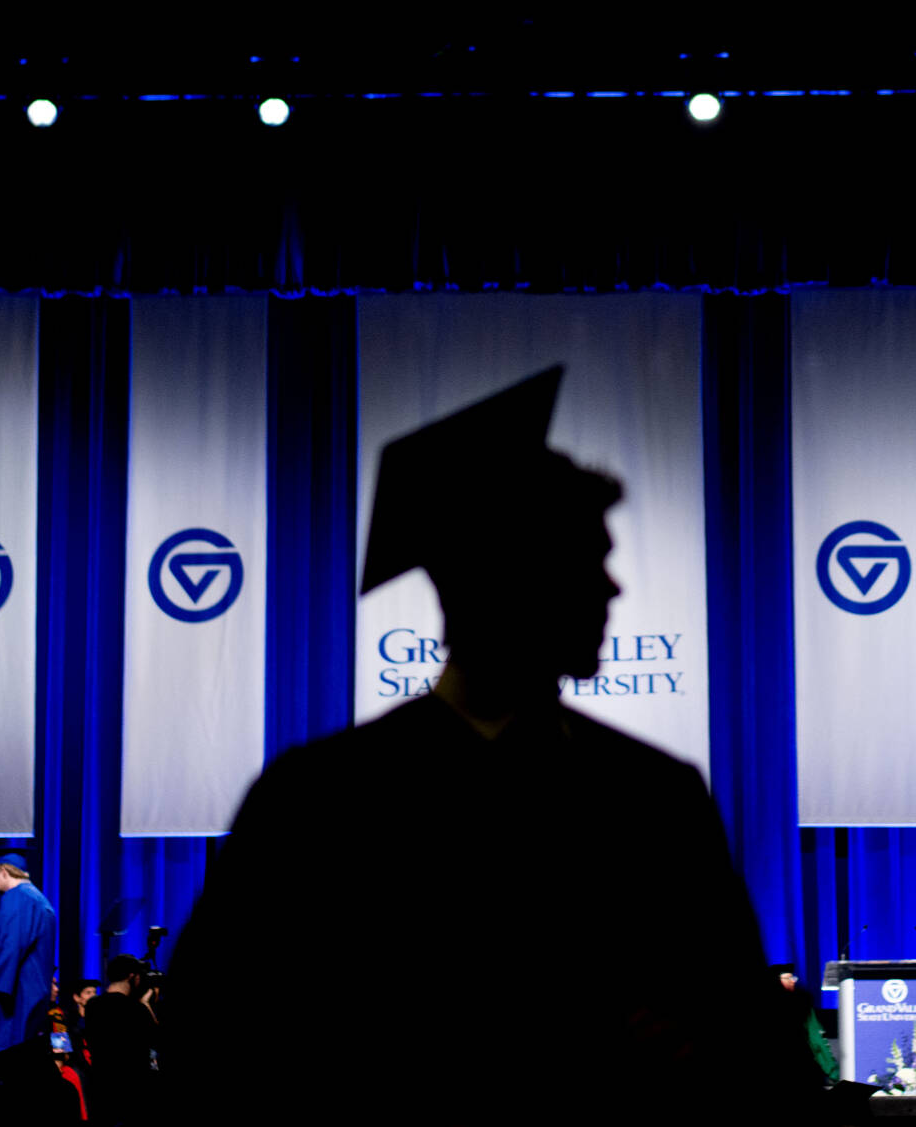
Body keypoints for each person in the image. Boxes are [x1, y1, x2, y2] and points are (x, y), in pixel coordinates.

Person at [167, 367, 814, 1123]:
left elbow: (758, 1049)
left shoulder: (656, 795)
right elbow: (211, 1040)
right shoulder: (318, 799)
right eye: (585, 562)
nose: (611, 590)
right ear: (502, 580)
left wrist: (690, 1062)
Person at [0, 848, 59, 1061]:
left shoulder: (17, 898)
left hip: (15, 994)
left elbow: (10, 946)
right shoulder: (40, 900)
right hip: (35, 992)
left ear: (3, 872)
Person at [84, 954, 159, 1125]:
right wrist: (147, 1004)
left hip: (101, 1088)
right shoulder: (137, 1010)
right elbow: (155, 1039)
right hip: (133, 1093)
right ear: (131, 976)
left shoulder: (92, 1006)